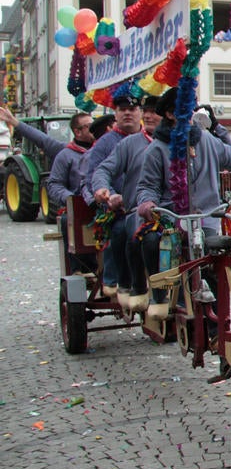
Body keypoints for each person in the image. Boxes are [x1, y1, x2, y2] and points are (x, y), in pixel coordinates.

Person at [134, 89, 231, 329]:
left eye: (192, 106)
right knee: (151, 243)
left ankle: (218, 326)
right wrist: (148, 204)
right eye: (184, 107)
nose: (191, 112)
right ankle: (160, 295)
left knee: (214, 260)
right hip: (171, 218)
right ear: (170, 114)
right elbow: (147, 186)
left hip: (206, 217)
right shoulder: (157, 149)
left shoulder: (207, 140)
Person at [90, 96, 162, 313]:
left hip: (171, 211)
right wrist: (105, 190)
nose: (148, 116)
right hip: (134, 210)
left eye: (153, 112)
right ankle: (131, 284)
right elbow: (101, 170)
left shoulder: (177, 142)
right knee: (127, 232)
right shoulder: (127, 144)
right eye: (146, 111)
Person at [81, 94, 148, 298]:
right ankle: (118, 281)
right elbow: (95, 175)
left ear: (140, 113)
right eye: (122, 110)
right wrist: (108, 195)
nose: (127, 113)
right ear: (115, 115)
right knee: (120, 230)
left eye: (132, 109)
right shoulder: (104, 143)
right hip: (116, 210)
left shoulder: (151, 138)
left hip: (148, 206)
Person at [45, 111, 97, 274]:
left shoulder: (102, 150)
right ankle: (78, 269)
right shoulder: (65, 155)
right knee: (68, 220)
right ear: (77, 131)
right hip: (78, 206)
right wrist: (70, 199)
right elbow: (54, 184)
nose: (94, 129)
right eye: (89, 126)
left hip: (99, 204)